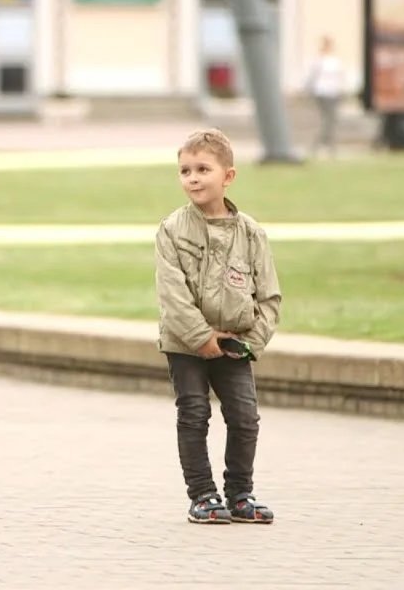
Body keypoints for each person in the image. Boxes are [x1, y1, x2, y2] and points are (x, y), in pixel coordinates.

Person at [154, 129, 282, 525]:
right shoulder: (172, 230)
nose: (192, 178)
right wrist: (201, 338)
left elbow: (269, 296)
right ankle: (203, 495)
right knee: (194, 414)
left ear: (228, 176)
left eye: (203, 169)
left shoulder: (251, 233)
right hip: (187, 345)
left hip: (235, 344)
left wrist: (250, 344)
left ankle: (240, 493)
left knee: (245, 418)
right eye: (185, 170)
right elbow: (172, 294)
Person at [304, 36, 345, 158]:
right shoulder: (319, 61)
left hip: (334, 92)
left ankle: (324, 144)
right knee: (327, 119)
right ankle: (324, 144)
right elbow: (312, 77)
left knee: (331, 120)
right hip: (322, 92)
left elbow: (340, 78)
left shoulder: (335, 61)